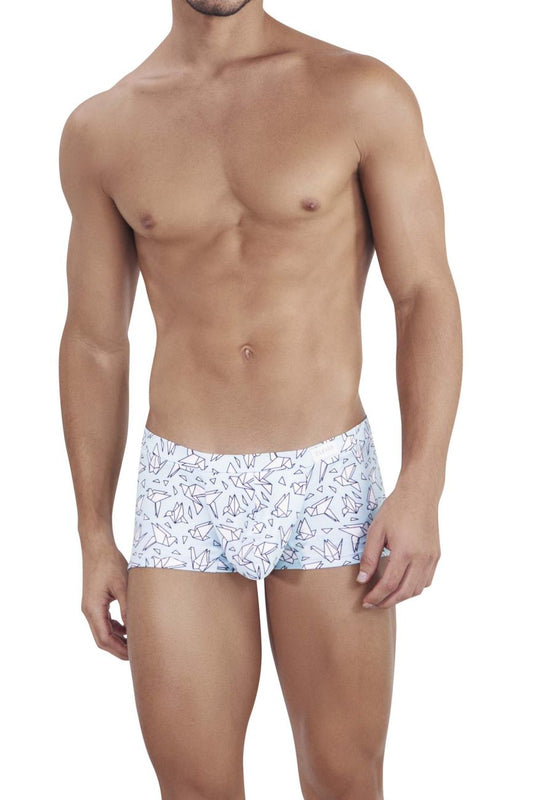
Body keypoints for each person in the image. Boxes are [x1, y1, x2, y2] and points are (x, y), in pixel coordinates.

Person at [58, 0, 462, 797]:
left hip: (326, 477)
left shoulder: (359, 91)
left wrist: (423, 485)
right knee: (193, 788)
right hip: (183, 486)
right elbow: (95, 344)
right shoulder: (102, 128)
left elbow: (422, 294)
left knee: (343, 778)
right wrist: (93, 534)